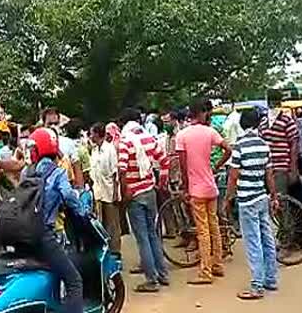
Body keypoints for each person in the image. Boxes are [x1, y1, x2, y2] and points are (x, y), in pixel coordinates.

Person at [26, 127, 100, 313]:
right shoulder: (56, 173)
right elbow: (70, 198)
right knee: (75, 280)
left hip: (24, 237)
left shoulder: (27, 173)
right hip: (45, 236)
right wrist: (85, 211)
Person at [175, 100, 232, 285]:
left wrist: (185, 188)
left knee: (203, 230)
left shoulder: (182, 135)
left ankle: (206, 271)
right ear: (202, 113)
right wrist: (216, 166)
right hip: (210, 187)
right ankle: (217, 265)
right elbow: (228, 150)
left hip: (196, 188)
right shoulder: (210, 132)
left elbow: (183, 167)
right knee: (213, 225)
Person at [225, 108, 280, 299]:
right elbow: (269, 174)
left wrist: (228, 198)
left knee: (253, 241)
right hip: (262, 196)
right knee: (267, 238)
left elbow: (233, 176)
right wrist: (273, 196)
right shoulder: (264, 145)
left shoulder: (240, 146)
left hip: (247, 199)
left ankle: (257, 284)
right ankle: (271, 278)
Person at [118, 108, 170, 292]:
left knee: (142, 238)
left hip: (135, 194)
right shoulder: (149, 138)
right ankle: (163, 274)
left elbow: (122, 170)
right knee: (154, 234)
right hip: (150, 191)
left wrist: (126, 192)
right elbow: (164, 161)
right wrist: (161, 183)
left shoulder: (125, 141)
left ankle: (151, 280)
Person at [89, 123, 121, 254]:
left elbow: (114, 173)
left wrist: (115, 193)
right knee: (101, 224)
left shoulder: (110, 149)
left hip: (109, 191)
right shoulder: (94, 151)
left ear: (97, 134)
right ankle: (106, 252)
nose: (90, 136)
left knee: (112, 224)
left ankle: (115, 252)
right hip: (98, 191)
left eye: (92, 133)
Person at [260, 99, 299, 195]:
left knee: (280, 200)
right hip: (266, 168)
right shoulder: (263, 122)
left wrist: (293, 169)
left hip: (281, 168)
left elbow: (294, 145)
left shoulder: (287, 121)